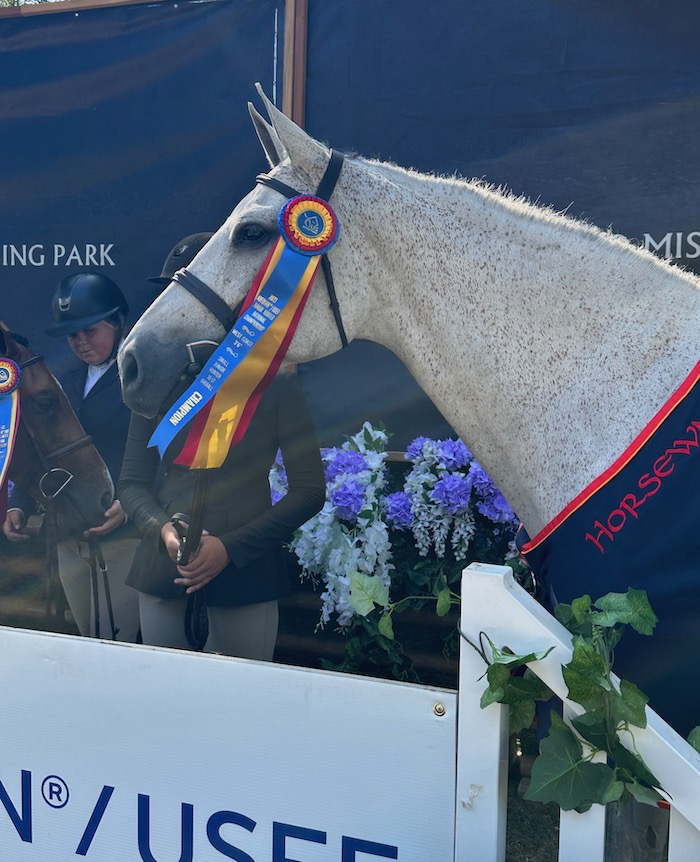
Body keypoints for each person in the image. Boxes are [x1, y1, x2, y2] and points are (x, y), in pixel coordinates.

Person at [117, 235, 326, 658]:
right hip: (163, 570)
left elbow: (309, 490)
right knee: (161, 702)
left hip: (246, 574)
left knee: (245, 707)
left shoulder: (276, 383)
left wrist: (229, 549)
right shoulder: (156, 385)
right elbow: (132, 483)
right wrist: (164, 533)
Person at [3, 272, 141, 642]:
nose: (81, 342)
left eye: (90, 330)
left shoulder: (140, 377)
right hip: (67, 534)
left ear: (116, 322)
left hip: (124, 534)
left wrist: (130, 501)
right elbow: (40, 445)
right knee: (85, 640)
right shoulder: (60, 377)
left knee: (124, 645)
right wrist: (19, 503)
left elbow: (159, 452)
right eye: (73, 334)